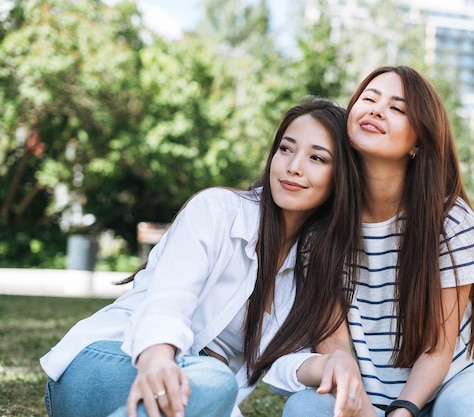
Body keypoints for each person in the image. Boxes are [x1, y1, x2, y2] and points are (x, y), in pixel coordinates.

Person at [40, 97, 360, 417]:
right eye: (286, 149)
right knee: (215, 382)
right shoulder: (218, 210)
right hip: (112, 363)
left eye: (317, 158)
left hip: (195, 394)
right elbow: (168, 301)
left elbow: (281, 361)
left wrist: (329, 363)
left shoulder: (311, 267)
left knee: (307, 403)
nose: (293, 166)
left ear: (340, 179)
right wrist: (158, 360)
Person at [263, 66, 474, 417]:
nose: (376, 110)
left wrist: (403, 410)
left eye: (397, 108)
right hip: (364, 395)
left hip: (452, 384)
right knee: (305, 408)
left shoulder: (451, 221)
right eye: (369, 99)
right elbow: (334, 343)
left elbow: (438, 349)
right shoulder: (321, 231)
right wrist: (359, 406)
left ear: (418, 141)